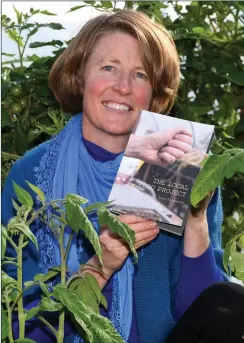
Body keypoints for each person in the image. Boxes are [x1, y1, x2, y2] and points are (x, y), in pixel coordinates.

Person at [2, 9, 241, 343]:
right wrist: (101, 265)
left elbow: (211, 319)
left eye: (140, 75)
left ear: (155, 93)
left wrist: (197, 221)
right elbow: (19, 327)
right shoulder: (32, 175)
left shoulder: (178, 164)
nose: (123, 87)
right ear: (80, 76)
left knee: (232, 300)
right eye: (108, 68)